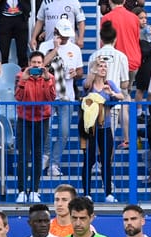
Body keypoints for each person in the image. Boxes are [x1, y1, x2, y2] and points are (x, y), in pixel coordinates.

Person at [39, 22, 83, 178]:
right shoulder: (45, 46)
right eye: (62, 35)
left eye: (67, 36)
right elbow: (40, 64)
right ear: (56, 32)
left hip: (67, 96)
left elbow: (80, 71)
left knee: (64, 132)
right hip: (47, 96)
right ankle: (45, 156)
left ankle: (54, 163)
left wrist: (74, 73)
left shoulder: (75, 49)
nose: (65, 38)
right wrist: (56, 49)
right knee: (47, 130)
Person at [79, 58, 124, 202]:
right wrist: (92, 70)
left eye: (105, 66)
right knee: (89, 160)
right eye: (100, 66)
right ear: (94, 69)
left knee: (106, 160)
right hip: (90, 128)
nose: (103, 68)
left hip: (106, 126)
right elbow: (85, 90)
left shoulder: (109, 84)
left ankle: (108, 194)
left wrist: (111, 93)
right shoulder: (89, 84)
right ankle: (87, 193)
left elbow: (121, 96)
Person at [13, 51, 55, 203]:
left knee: (38, 155)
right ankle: (22, 190)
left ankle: (34, 190)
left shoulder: (49, 77)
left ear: (43, 64)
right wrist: (23, 81)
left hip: (42, 119)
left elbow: (51, 98)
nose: (36, 65)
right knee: (23, 155)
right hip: (24, 119)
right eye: (34, 62)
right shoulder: (20, 75)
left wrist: (47, 80)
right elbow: (18, 97)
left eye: (39, 63)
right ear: (29, 63)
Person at [100, 0, 141, 87]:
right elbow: (137, 39)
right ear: (124, 1)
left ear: (110, 1)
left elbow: (104, 42)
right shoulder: (134, 18)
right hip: (133, 59)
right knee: (126, 91)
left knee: (113, 92)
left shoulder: (106, 18)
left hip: (113, 61)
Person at [89, 22, 130, 98]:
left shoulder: (93, 56)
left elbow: (90, 80)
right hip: (115, 101)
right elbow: (125, 84)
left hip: (95, 103)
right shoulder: (121, 56)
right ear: (115, 39)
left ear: (101, 39)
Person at [0, 0, 29, 67]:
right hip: (4, 18)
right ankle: (3, 75)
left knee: (22, 52)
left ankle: (24, 74)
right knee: (3, 52)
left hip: (21, 18)